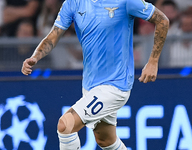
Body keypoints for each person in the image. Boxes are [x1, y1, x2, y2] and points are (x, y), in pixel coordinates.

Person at [21, 0, 169, 149]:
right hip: (90, 85)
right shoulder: (72, 3)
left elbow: (162, 20)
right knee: (105, 140)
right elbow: (53, 35)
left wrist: (153, 61)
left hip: (115, 85)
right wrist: (35, 57)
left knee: (65, 125)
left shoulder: (125, 1)